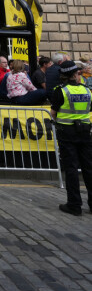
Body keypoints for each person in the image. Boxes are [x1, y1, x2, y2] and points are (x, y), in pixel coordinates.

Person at [50, 60, 92, 216]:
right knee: (89, 168)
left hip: (66, 133)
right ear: (76, 74)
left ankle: (74, 204)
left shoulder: (60, 91)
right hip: (85, 132)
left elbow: (53, 112)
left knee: (71, 168)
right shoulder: (87, 90)